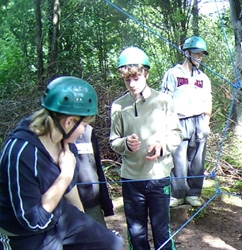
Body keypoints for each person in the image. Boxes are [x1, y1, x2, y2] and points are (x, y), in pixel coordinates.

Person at [0, 76, 123, 249]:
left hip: (58, 217)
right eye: (85, 124)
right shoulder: (22, 153)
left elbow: (70, 191)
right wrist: (65, 175)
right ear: (69, 121)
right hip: (25, 234)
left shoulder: (66, 146)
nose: (85, 131)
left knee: (111, 243)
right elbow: (33, 221)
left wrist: (86, 224)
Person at [110, 47, 183, 250]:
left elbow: (176, 134)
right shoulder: (118, 106)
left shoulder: (164, 101)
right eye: (127, 80)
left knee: (161, 230)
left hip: (159, 177)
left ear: (146, 73)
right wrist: (125, 144)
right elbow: (114, 140)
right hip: (131, 179)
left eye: (136, 78)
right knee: (136, 232)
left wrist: (162, 146)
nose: (132, 85)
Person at [161, 36, 212, 207]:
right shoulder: (173, 73)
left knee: (197, 159)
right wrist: (168, 124)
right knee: (179, 159)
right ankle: (177, 194)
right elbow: (165, 100)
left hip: (198, 120)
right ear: (187, 52)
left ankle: (193, 193)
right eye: (197, 54)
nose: (200, 57)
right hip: (179, 119)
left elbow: (208, 101)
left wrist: (206, 121)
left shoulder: (203, 78)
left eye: (202, 54)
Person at [75, 125, 115, 226]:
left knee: (100, 239)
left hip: (92, 201)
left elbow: (97, 166)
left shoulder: (88, 130)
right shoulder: (54, 133)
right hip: (66, 205)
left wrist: (107, 205)